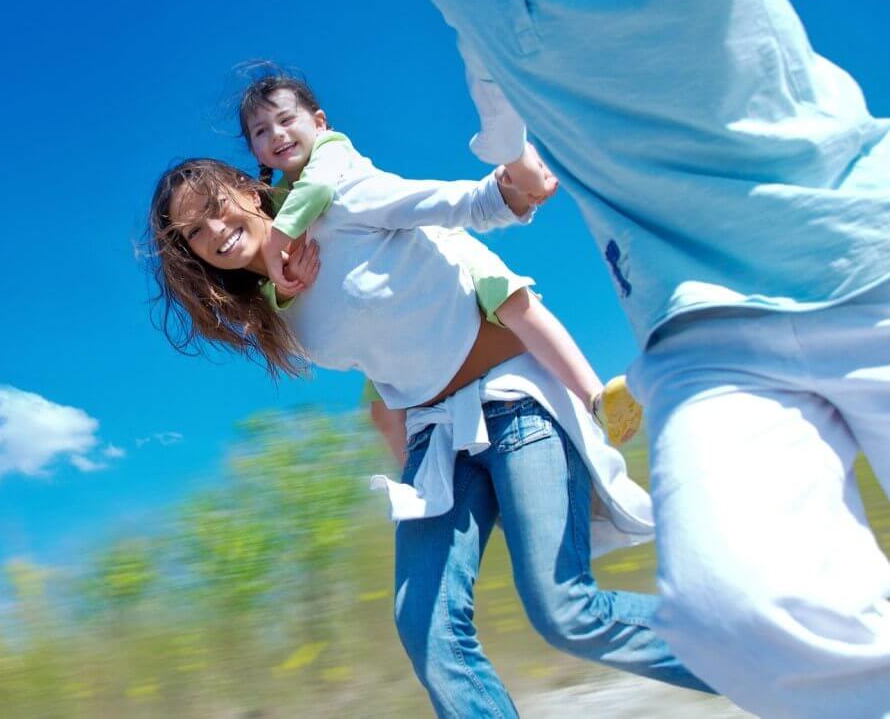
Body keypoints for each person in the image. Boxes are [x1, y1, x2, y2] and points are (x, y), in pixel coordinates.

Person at [423, 0, 890, 715]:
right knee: (735, 616)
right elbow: (498, 109)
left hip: (861, 252)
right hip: (696, 325)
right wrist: (512, 163)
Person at [145, 157, 712, 716]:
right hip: (435, 440)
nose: (215, 232)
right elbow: (390, 336)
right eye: (195, 231)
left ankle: (767, 661)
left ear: (248, 189)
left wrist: (510, 189)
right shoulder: (275, 309)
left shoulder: (336, 202)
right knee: (426, 624)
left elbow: (443, 209)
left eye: (217, 208)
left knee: (563, 608)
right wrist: (395, 434)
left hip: (514, 402)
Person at [235, 70, 642, 447]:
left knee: (513, 301)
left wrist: (277, 242)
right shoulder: (279, 198)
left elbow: (321, 191)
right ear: (254, 149)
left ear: (320, 122)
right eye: (261, 131)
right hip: (402, 324)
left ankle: (594, 398)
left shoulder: (332, 157)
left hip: (438, 251)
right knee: (382, 410)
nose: (277, 134)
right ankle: (419, 490)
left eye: (287, 120)